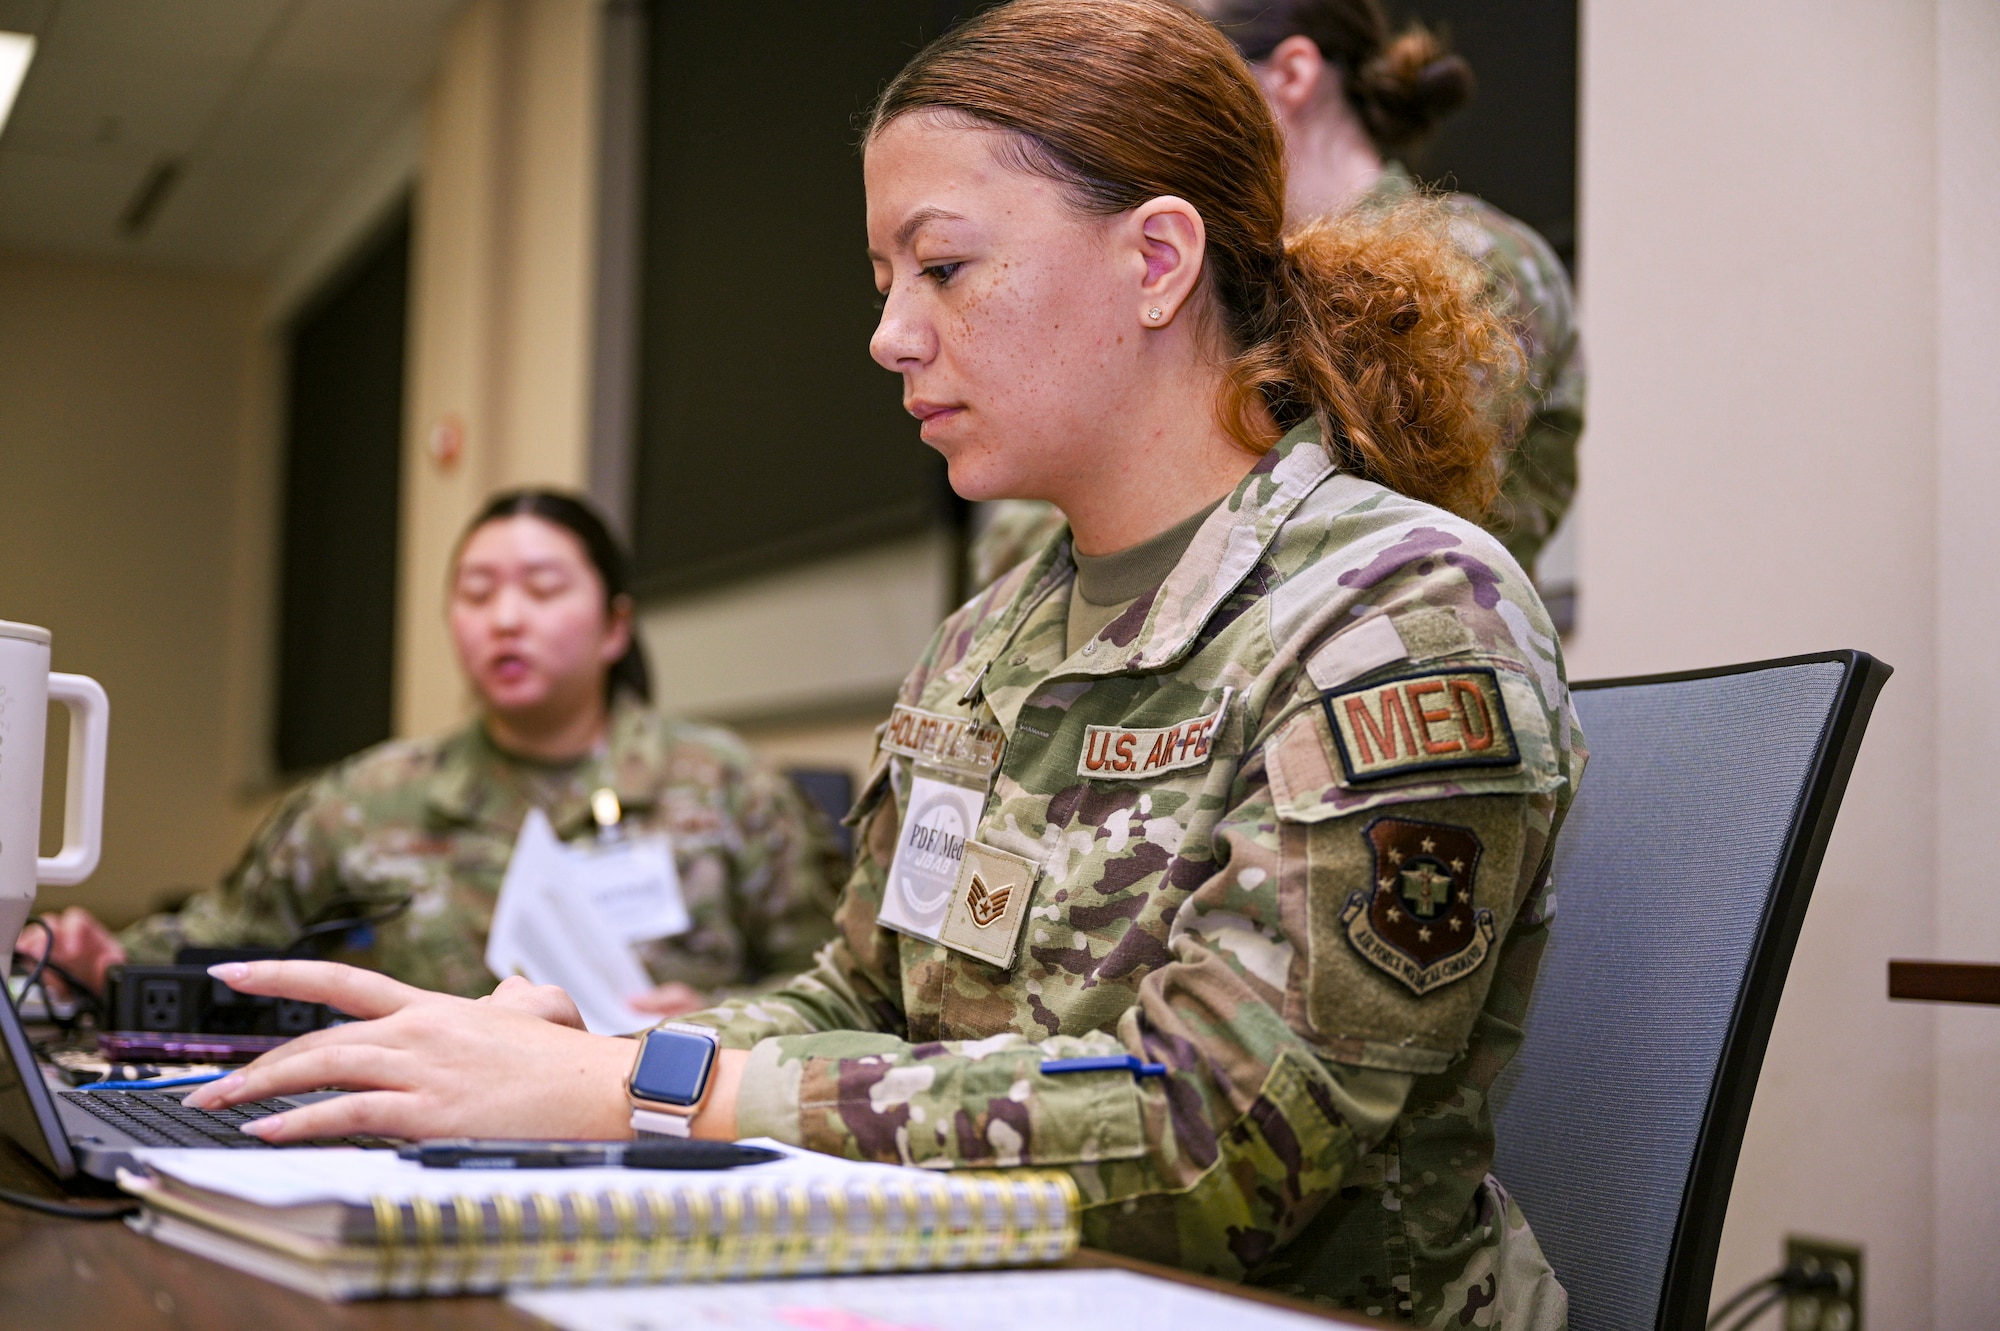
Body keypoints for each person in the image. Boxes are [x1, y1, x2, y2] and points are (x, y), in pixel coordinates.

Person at [187, 3, 1584, 1324]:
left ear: (1156, 262)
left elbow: (1215, 1139)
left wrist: (643, 1085)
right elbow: (860, 997)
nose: (889, 334)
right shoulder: (990, 639)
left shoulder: (1399, 613)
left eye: (945, 266)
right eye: (883, 278)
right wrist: (558, 1054)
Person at [22, 490, 840, 1017]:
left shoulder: (731, 785)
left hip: (653, 1126)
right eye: (477, 592)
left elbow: (837, 992)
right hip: (414, 1134)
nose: (506, 618)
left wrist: (713, 1016)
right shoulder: (370, 798)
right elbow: (231, 938)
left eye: (544, 588)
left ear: (615, 626)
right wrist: (106, 959)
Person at [966, 0, 1584, 591]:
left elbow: (1336, 523)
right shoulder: (1209, 280)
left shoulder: (1474, 263)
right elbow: (1020, 548)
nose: (1160, 132)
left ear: (1291, 74)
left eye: (1191, 96)